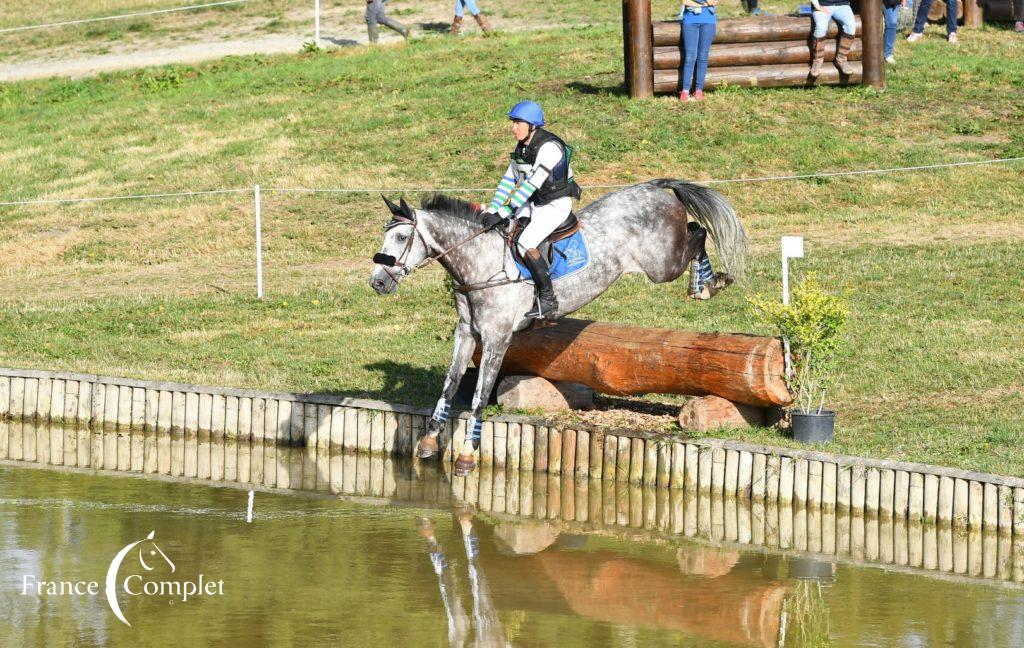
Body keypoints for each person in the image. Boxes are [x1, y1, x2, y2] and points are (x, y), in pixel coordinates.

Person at [481, 101, 581, 320]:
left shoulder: (549, 148)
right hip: (534, 203)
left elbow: (530, 185)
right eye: (513, 122)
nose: (513, 127)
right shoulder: (522, 147)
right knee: (507, 232)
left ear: (532, 125)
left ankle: (548, 298)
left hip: (555, 205)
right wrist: (493, 209)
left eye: (518, 123)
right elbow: (508, 181)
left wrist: (505, 210)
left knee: (525, 242)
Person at [678, 0, 718, 101]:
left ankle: (699, 90)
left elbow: (713, 1)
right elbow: (685, 1)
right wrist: (704, 4)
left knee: (703, 57)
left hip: (708, 21)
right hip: (690, 21)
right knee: (690, 56)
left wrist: (699, 2)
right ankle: (685, 90)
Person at [809, 0, 857, 78]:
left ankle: (841, 59)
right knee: (820, 28)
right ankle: (817, 61)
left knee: (851, 27)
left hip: (843, 5)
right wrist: (816, 5)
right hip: (822, 5)